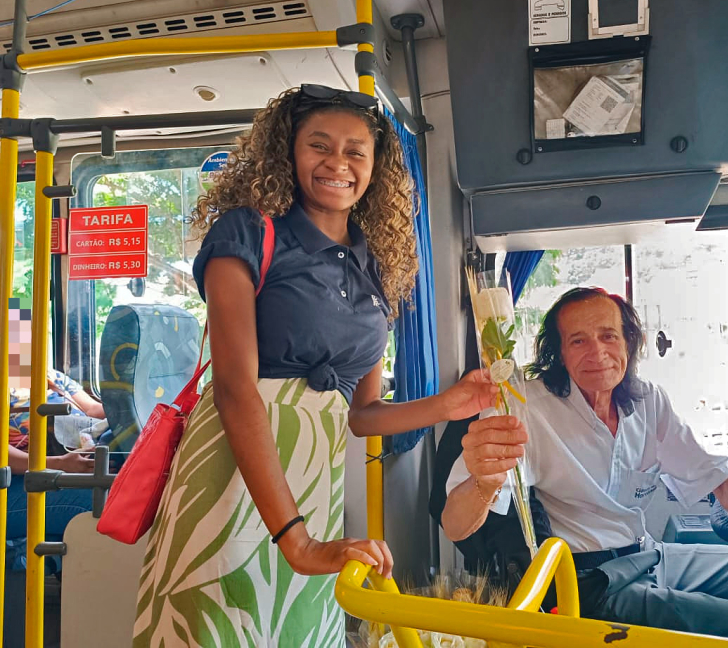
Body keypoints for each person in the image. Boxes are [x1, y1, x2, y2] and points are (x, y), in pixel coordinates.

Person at [132, 85, 497, 648]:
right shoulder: (248, 232)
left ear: (376, 166)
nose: (338, 163)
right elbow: (234, 389)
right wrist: (295, 540)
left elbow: (362, 414)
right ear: (288, 151)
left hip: (312, 486)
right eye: (319, 145)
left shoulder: (375, 264)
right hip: (234, 474)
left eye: (356, 151)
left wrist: (453, 403)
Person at [442, 287, 728, 645]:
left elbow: (720, 477)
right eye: (578, 341)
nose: (598, 352)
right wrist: (484, 480)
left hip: (652, 555)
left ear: (630, 341)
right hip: (592, 581)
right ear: (559, 354)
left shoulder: (649, 401)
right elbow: (456, 524)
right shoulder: (523, 409)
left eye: (608, 336)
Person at [7, 368, 101, 541]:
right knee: (94, 505)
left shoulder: (49, 375)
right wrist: (60, 463)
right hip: (12, 483)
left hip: (56, 469)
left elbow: (93, 409)